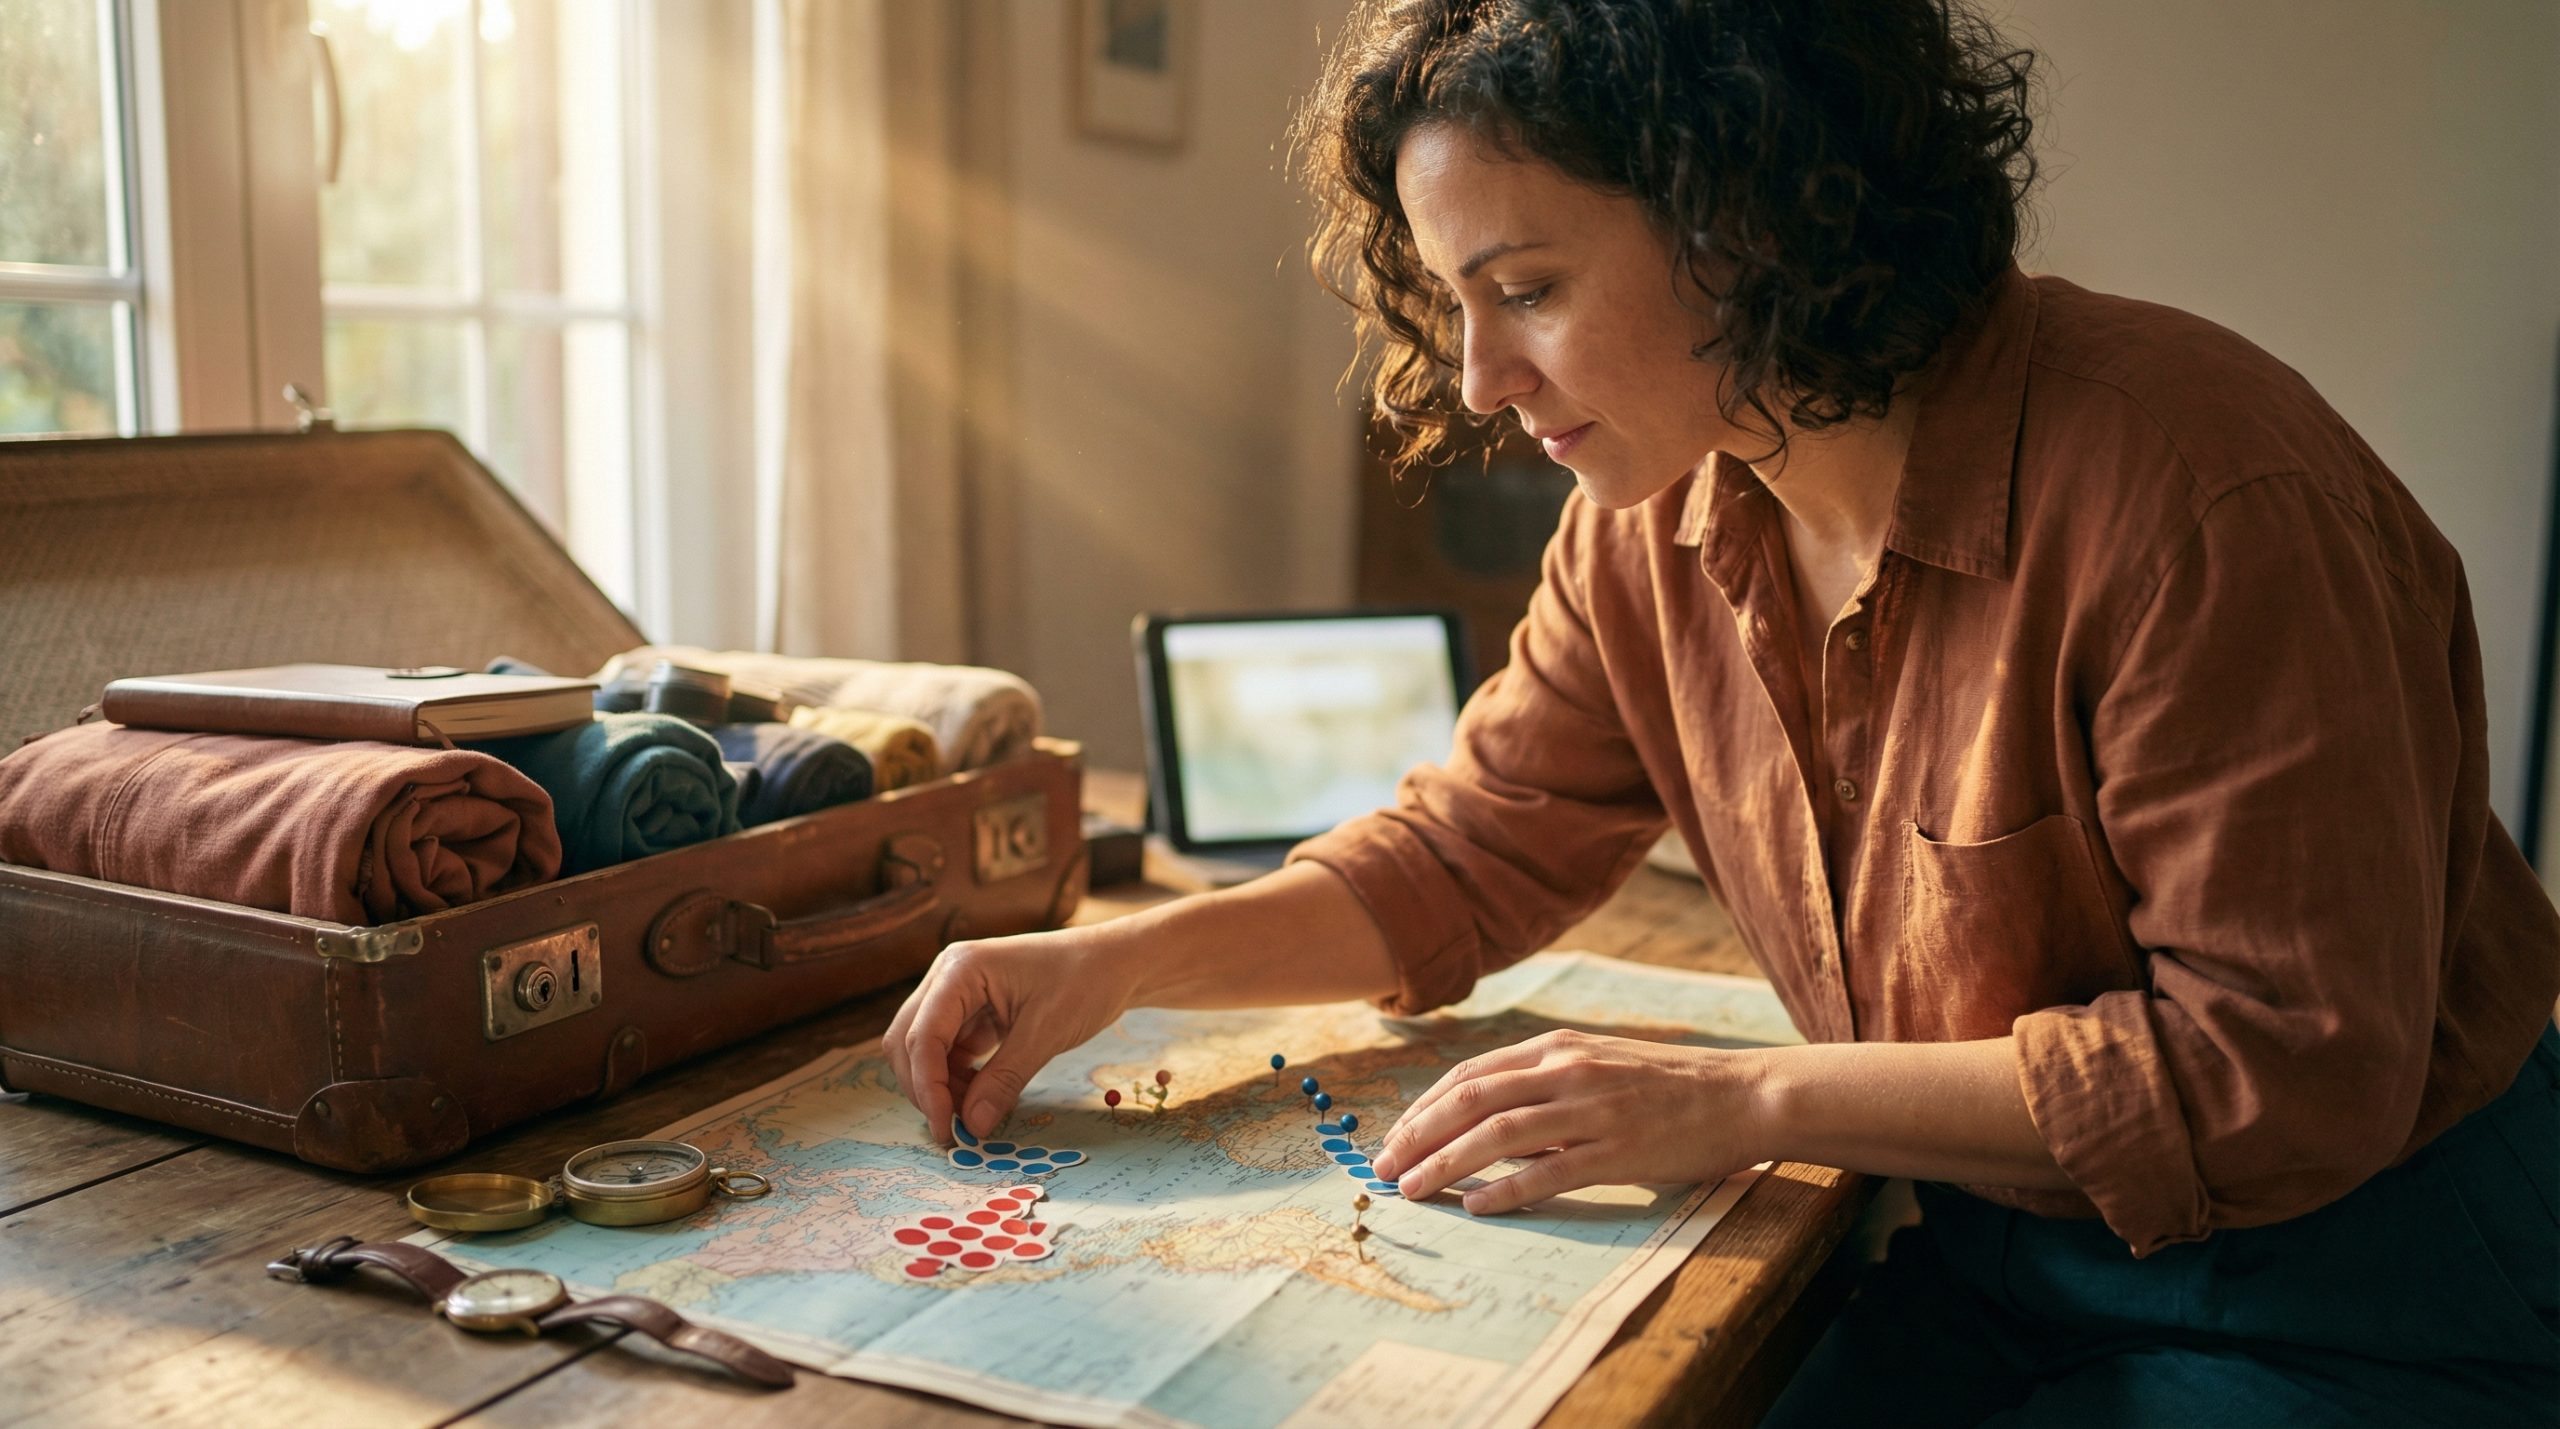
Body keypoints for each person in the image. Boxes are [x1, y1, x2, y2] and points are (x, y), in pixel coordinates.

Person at [887, 0, 2560, 1420]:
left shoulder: (2200, 492)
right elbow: (1464, 851)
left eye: (1526, 289)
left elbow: (2279, 1073)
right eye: (1450, 300)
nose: (1476, 379)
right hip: (2006, 1252)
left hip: (2362, 1283)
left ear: (1745, 217)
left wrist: (1740, 1100)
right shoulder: (1653, 518)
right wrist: (1113, 964)